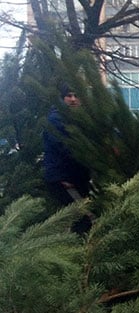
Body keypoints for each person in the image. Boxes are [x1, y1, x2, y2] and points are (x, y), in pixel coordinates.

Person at [42, 84, 93, 233]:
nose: (73, 99)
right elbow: (67, 149)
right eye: (69, 95)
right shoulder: (56, 120)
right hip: (64, 179)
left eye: (76, 95)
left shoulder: (80, 118)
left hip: (77, 178)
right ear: (62, 98)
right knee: (83, 217)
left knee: (81, 216)